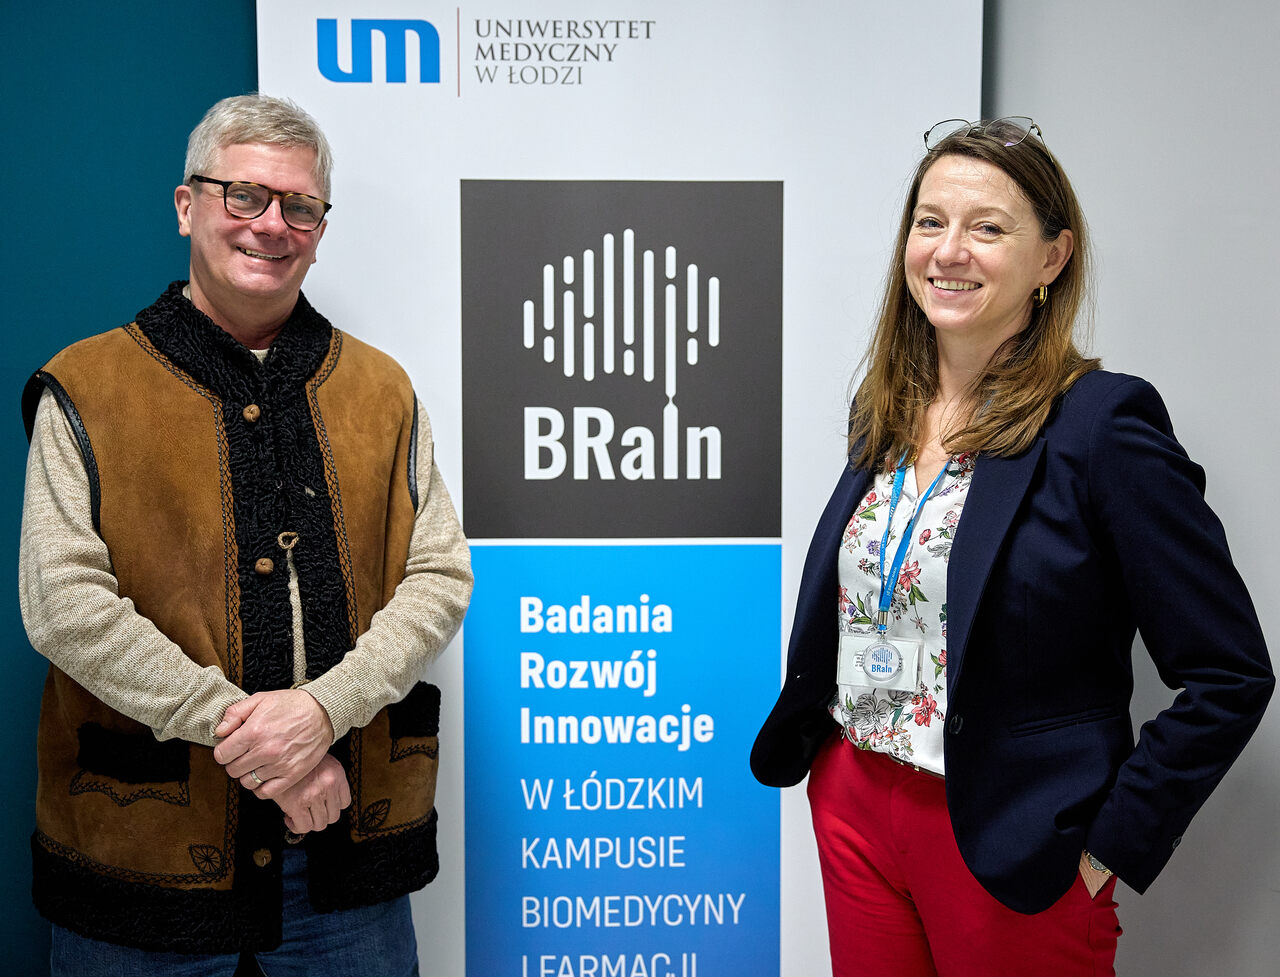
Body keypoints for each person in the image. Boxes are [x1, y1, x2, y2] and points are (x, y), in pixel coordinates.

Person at [750, 117, 1273, 976]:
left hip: (1011, 835)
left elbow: (1230, 672)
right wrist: (838, 778)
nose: (949, 250)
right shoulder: (885, 411)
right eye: (930, 221)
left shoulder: (1102, 425)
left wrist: (1110, 846)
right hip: (856, 798)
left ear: (1051, 258)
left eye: (987, 227)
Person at [18, 94, 473, 974]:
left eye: (299, 206)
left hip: (345, 868)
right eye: (245, 196)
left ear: (320, 231)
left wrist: (324, 710)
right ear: (186, 205)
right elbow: (63, 604)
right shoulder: (84, 386)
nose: (272, 224)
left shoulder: (383, 390)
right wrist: (273, 748)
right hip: (141, 863)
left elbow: (440, 576)